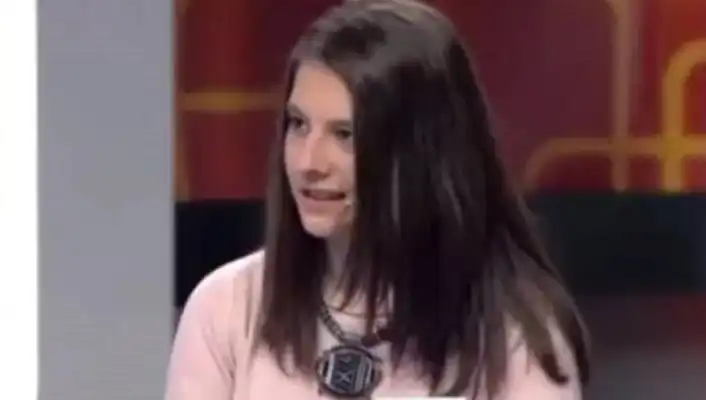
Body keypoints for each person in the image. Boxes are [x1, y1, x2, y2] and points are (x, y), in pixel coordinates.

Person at [165, 0, 590, 398]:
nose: (308, 162)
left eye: (344, 134)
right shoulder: (226, 308)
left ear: (420, 152)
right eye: (298, 125)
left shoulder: (514, 337)